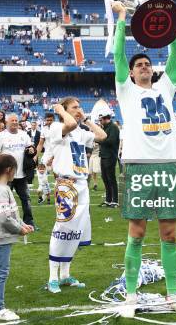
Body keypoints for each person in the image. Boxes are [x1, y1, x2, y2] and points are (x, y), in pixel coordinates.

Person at [111, 1, 176, 317]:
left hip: (169, 163)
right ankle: (131, 295)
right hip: (139, 166)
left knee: (169, 233)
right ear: (131, 73)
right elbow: (119, 55)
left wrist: (170, 23)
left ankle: (173, 295)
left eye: (147, 63)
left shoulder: (166, 86)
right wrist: (122, 19)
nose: (144, 66)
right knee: (137, 232)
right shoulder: (126, 90)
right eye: (139, 65)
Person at [45, 99, 106, 293]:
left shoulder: (81, 132)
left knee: (75, 231)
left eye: (80, 107)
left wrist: (87, 119)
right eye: (75, 107)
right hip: (66, 184)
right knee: (62, 229)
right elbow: (69, 124)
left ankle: (65, 275)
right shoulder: (57, 126)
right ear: (64, 110)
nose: (79, 110)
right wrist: (62, 112)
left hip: (82, 184)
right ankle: (52, 277)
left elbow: (102, 136)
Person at [0, 154, 34, 321]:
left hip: (3, 236)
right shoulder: (1, 191)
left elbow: (12, 214)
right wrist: (19, 230)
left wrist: (22, 225)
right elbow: (4, 218)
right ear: (9, 170)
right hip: (2, 236)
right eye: (15, 168)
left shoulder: (4, 189)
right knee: (1, 272)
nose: (16, 171)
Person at [0, 113, 35, 228]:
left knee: (26, 199)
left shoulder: (24, 135)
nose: (15, 122)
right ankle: (3, 222)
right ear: (7, 123)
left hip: (21, 174)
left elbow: (31, 148)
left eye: (16, 120)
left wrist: (31, 150)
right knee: (3, 200)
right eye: (12, 120)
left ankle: (29, 222)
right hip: (6, 175)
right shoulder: (2, 136)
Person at [99, 113, 120, 207]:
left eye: (101, 120)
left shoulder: (113, 127)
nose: (100, 122)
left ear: (105, 119)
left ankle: (115, 200)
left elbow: (111, 141)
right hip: (103, 155)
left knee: (111, 179)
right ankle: (108, 200)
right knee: (105, 178)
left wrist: (99, 140)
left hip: (110, 155)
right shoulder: (105, 128)